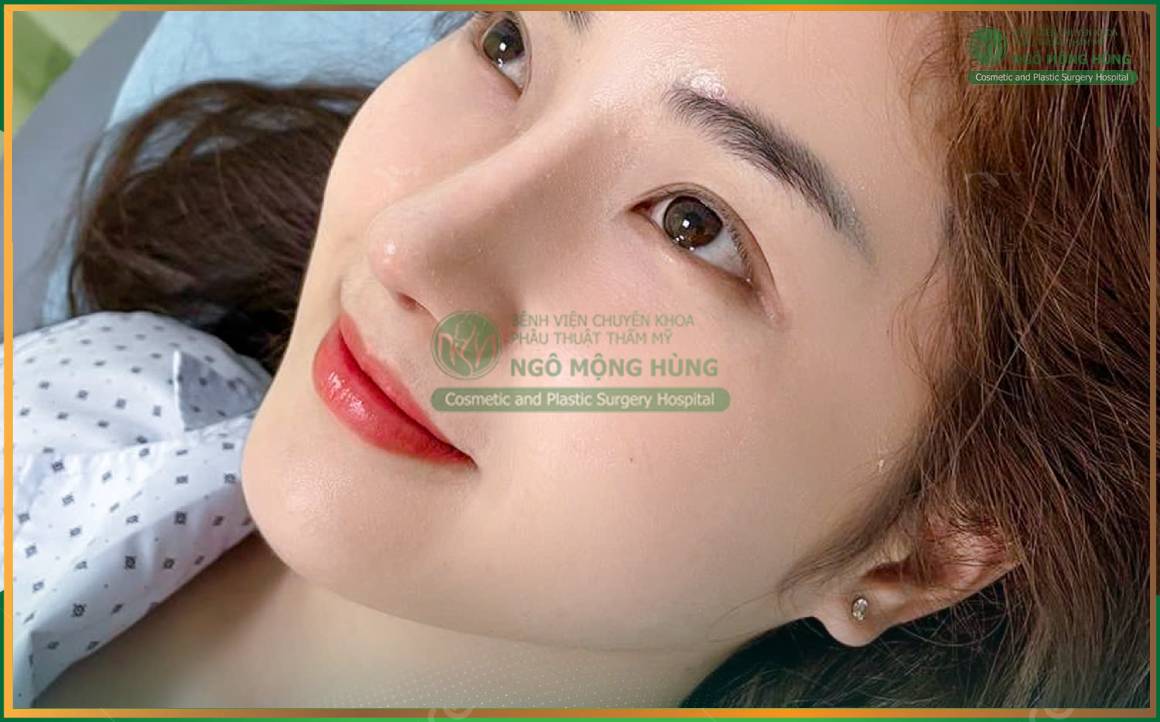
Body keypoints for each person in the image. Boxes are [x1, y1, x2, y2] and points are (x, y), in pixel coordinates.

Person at [10, 9, 1151, 709]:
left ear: (932, 550)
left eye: (695, 225)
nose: (409, 244)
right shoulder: (99, 397)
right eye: (509, 45)